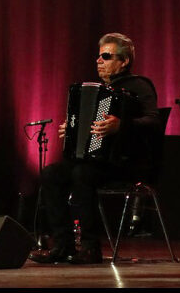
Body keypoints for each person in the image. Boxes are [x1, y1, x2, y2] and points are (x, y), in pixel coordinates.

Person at [29, 33, 161, 265]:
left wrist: (122, 125)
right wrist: (71, 132)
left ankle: (90, 247)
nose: (99, 61)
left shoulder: (140, 86)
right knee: (51, 173)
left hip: (126, 162)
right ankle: (62, 244)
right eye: (98, 56)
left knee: (82, 174)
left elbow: (154, 121)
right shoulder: (98, 90)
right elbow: (85, 127)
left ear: (124, 61)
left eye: (106, 56)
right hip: (95, 161)